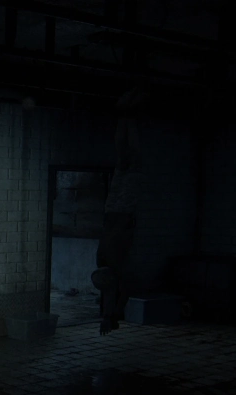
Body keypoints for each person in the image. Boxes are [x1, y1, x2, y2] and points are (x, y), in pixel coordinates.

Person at [93, 86, 145, 335]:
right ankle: (125, 115)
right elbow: (114, 294)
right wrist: (110, 316)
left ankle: (127, 115)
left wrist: (109, 316)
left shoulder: (112, 265)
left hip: (120, 210)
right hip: (114, 210)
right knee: (125, 160)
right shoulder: (108, 262)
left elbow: (113, 293)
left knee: (130, 159)